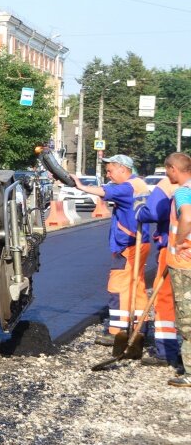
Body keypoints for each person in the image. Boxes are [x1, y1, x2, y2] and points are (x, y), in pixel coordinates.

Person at [75, 153, 151, 343]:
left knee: (118, 286)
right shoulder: (139, 184)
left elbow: (105, 192)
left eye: (110, 170)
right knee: (137, 284)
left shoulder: (126, 188)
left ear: (122, 169)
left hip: (128, 244)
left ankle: (118, 330)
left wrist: (81, 186)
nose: (108, 174)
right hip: (141, 241)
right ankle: (140, 326)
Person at [134, 171, 182, 370]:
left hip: (175, 250)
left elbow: (153, 212)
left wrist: (139, 210)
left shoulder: (171, 184)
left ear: (172, 169)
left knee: (164, 299)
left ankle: (166, 351)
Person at [163, 152, 191, 387]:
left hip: (184, 262)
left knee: (187, 318)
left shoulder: (183, 191)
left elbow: (187, 217)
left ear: (174, 169)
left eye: (167, 170)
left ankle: (189, 371)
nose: (166, 174)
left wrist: (180, 241)